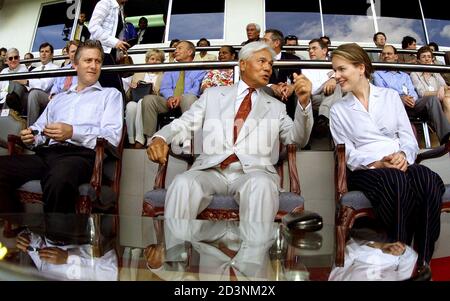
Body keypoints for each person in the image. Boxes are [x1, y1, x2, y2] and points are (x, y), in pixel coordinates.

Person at [147, 41, 313, 222]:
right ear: (242, 64)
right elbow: (185, 122)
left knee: (261, 185)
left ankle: (254, 249)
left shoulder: (276, 107)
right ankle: (175, 248)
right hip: (211, 171)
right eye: (262, 61)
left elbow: (297, 139)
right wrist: (161, 137)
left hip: (254, 173)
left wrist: (304, 104)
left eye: (270, 64)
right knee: (182, 183)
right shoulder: (213, 95)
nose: (268, 68)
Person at [329, 43, 445, 270]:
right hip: (366, 171)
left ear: (361, 68)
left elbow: (407, 138)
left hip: (399, 163)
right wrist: (378, 163)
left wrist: (403, 155)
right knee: (396, 180)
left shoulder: (391, 97)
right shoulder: (338, 109)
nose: (336, 76)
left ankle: (421, 261)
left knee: (428, 179)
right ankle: (396, 261)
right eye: (335, 71)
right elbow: (347, 153)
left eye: (341, 69)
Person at [0, 40, 124, 214]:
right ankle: (18, 223)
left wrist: (73, 132)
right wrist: (33, 135)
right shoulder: (59, 98)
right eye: (88, 61)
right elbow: (40, 127)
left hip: (82, 156)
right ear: (75, 65)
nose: (93, 66)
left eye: (98, 61)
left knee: (59, 176)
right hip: (49, 154)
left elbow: (112, 137)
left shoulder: (110, 95)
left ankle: (59, 239)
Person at [373, 45, 450, 144]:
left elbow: (413, 92)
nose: (386, 56)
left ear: (396, 57)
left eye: (389, 53)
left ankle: (446, 138)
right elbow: (383, 94)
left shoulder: (404, 75)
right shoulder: (378, 74)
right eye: (383, 54)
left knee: (432, 99)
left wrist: (412, 99)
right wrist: (401, 99)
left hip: (411, 104)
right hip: (393, 107)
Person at [141, 40, 206, 140]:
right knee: (149, 99)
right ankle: (151, 139)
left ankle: (190, 140)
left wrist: (180, 98)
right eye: (176, 49)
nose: (176, 51)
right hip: (169, 101)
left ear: (189, 52)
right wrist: (170, 97)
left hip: (187, 101)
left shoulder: (200, 69)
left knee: (189, 98)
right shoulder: (171, 68)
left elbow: (196, 89)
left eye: (179, 48)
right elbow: (165, 87)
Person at [125, 49, 165, 148]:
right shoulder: (138, 73)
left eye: (158, 60)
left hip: (152, 103)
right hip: (136, 99)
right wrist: (132, 88)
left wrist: (154, 90)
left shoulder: (164, 75)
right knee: (130, 106)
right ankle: (131, 138)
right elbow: (128, 96)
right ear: (147, 60)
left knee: (142, 102)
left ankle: (140, 138)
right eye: (152, 59)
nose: (155, 61)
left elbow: (164, 94)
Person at [88, 0, 130, 91]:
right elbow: (93, 27)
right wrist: (115, 42)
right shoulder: (105, 3)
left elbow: (115, 33)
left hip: (111, 54)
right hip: (100, 53)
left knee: (114, 89)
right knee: (113, 89)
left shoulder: (120, 9)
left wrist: (120, 45)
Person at [410, 46, 450, 123]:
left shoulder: (436, 73)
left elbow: (444, 87)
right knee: (447, 100)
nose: (427, 59)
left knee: (447, 99)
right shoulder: (414, 74)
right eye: (423, 57)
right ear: (418, 60)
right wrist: (439, 91)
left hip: (442, 100)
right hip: (424, 104)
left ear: (432, 59)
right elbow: (422, 93)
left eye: (429, 57)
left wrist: (443, 90)